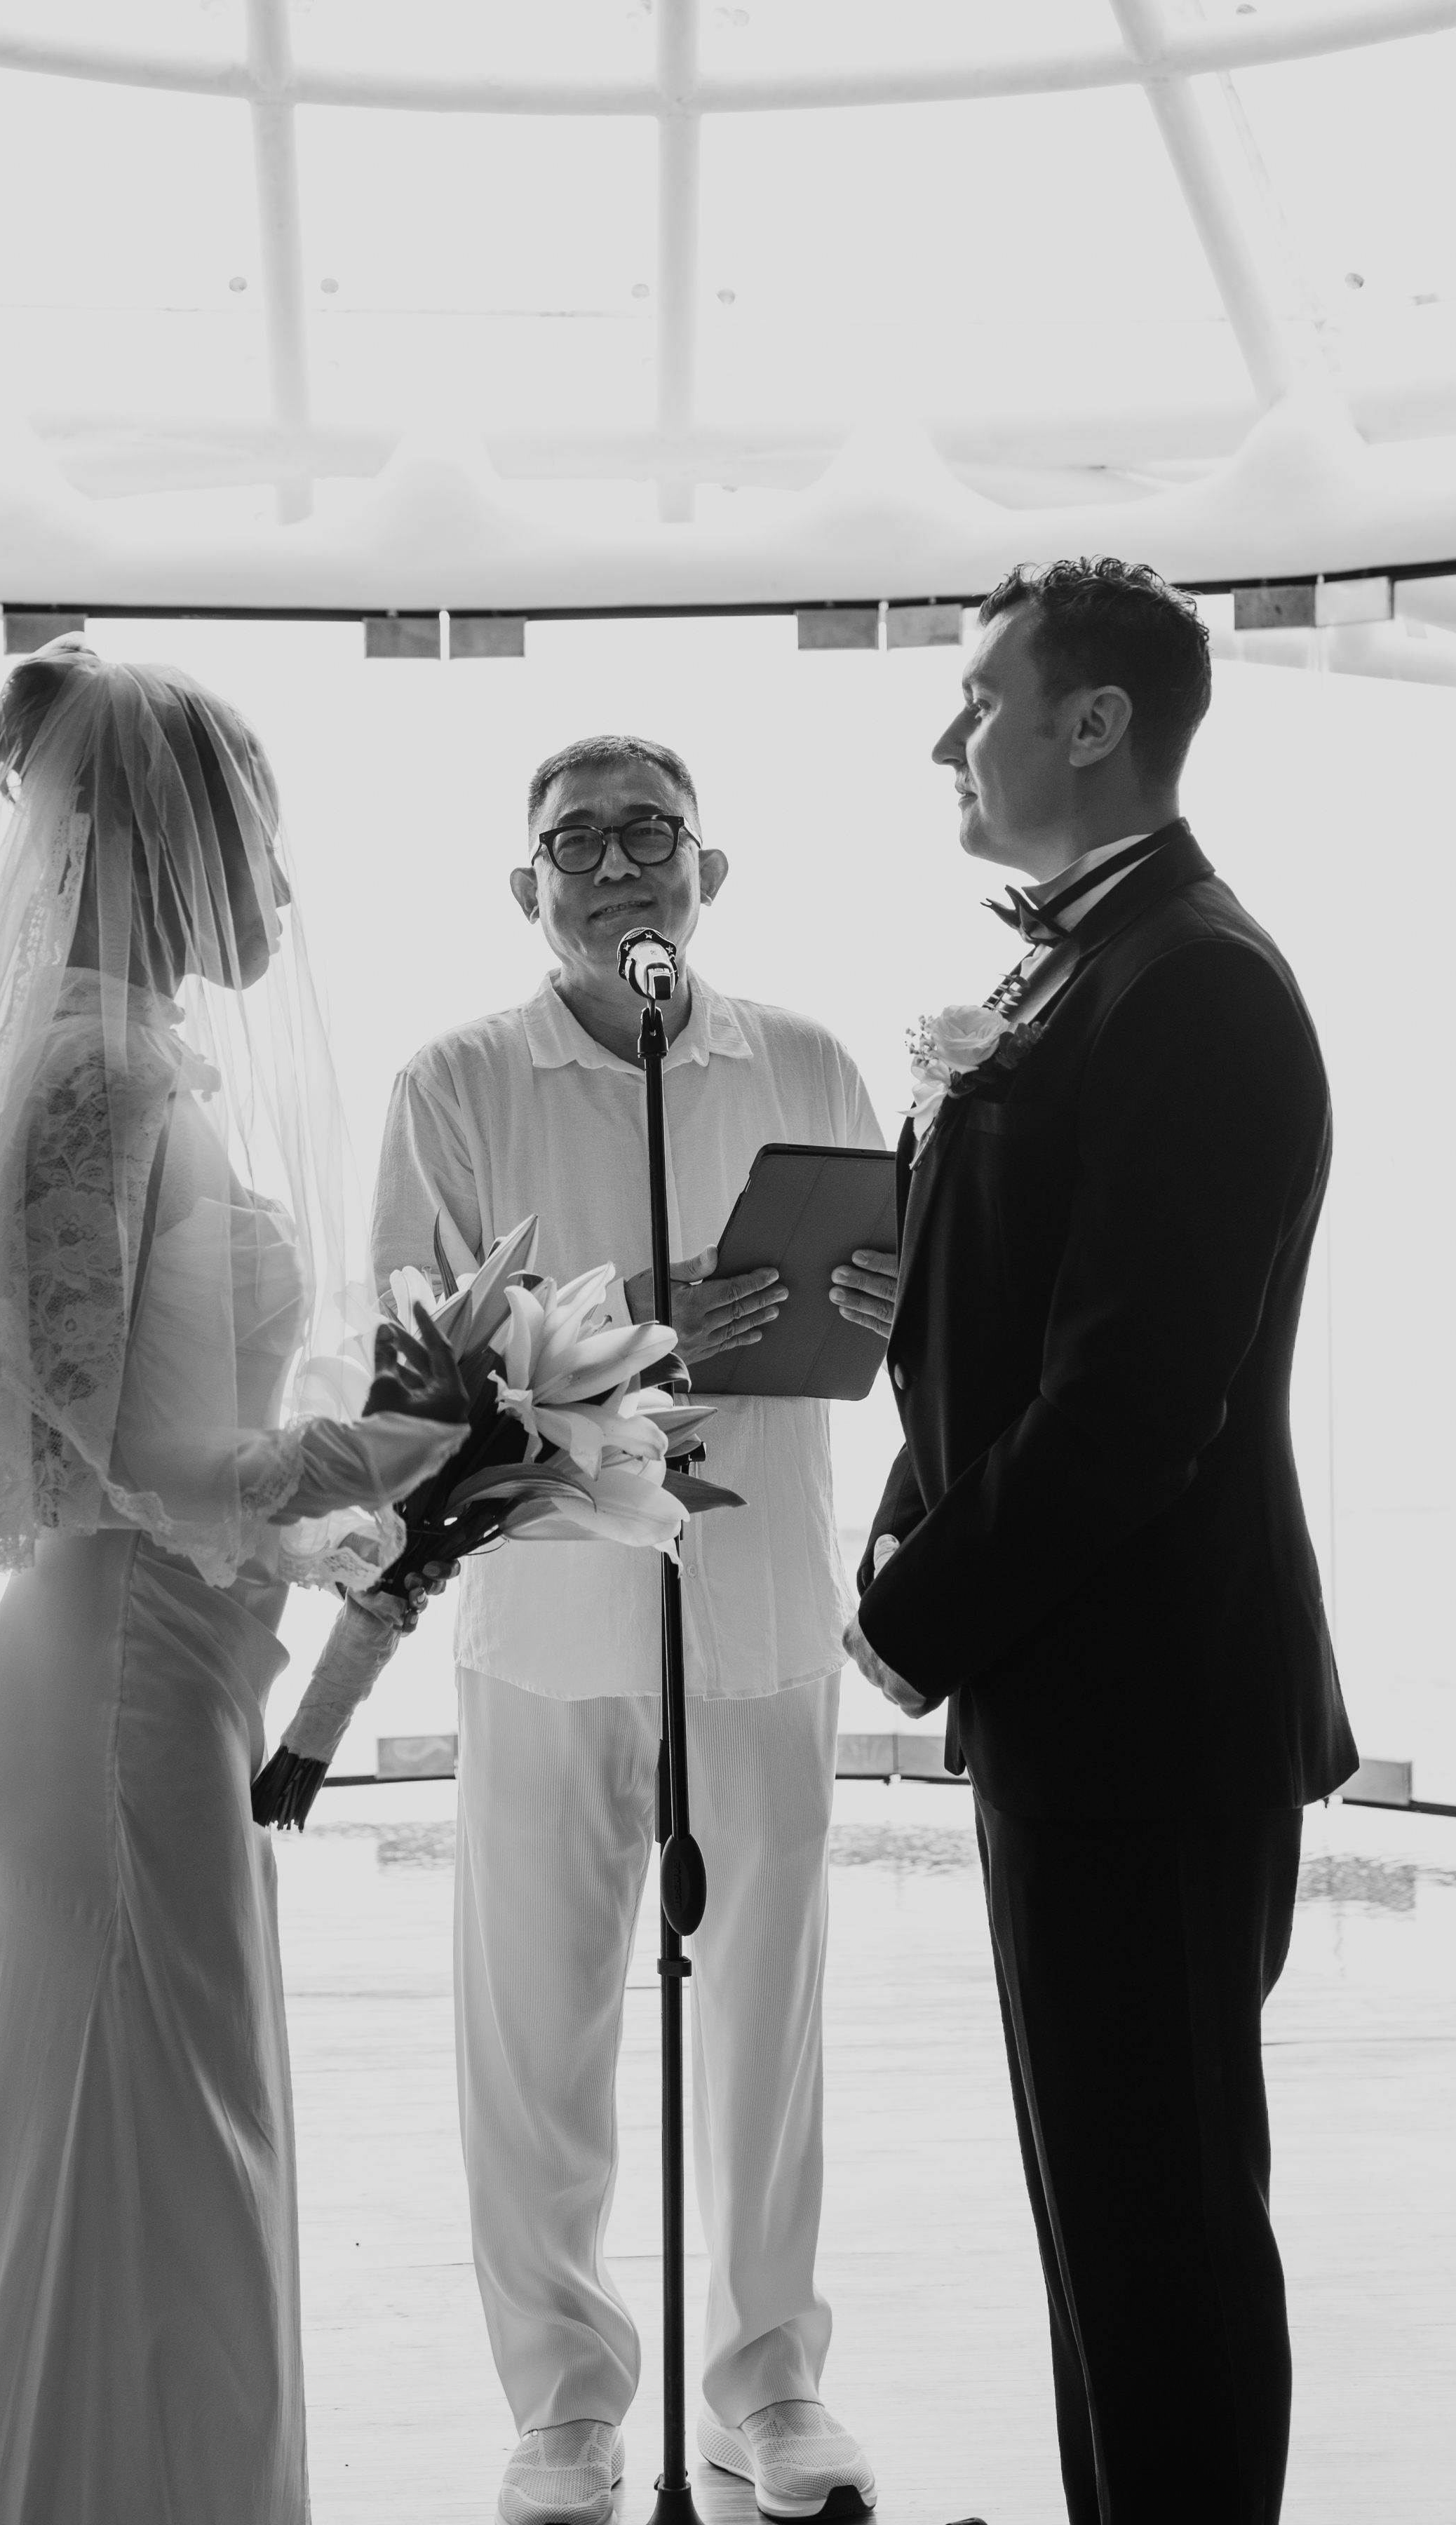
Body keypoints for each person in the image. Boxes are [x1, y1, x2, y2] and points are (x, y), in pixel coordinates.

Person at [0, 642, 465, 2524]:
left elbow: (151, 1432)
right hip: (120, 1686)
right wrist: (423, 1445)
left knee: (128, 2152)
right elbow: (143, 1461)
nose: (283, 892)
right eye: (258, 846)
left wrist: (344, 1498)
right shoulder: (100, 1077)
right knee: (170, 2156)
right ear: (161, 846)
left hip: (139, 1661)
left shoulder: (113, 1060)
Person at [846, 558, 1356, 2525]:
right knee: (1106, 2223)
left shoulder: (1197, 984)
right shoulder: (1081, 965)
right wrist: (905, 1523)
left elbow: (1141, 1398)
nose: (946, 738)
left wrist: (919, 1609)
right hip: (1082, 1695)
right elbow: (990, 1327)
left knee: (1164, 2236)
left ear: (1094, 721)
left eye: (978, 698)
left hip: (1156, 1706)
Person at [373, 733, 891, 2525]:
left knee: (769, 2013)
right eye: (574, 841)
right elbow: (411, 1372)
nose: (615, 865)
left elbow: (892, 1312)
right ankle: (565, 2405)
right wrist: (640, 1318)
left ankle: (772, 2384)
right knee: (537, 2023)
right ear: (526, 886)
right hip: (552, 1614)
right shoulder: (454, 1082)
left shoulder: (807, 1059)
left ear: (707, 871)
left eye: (650, 832)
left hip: (759, 1606)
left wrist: (890, 1296)